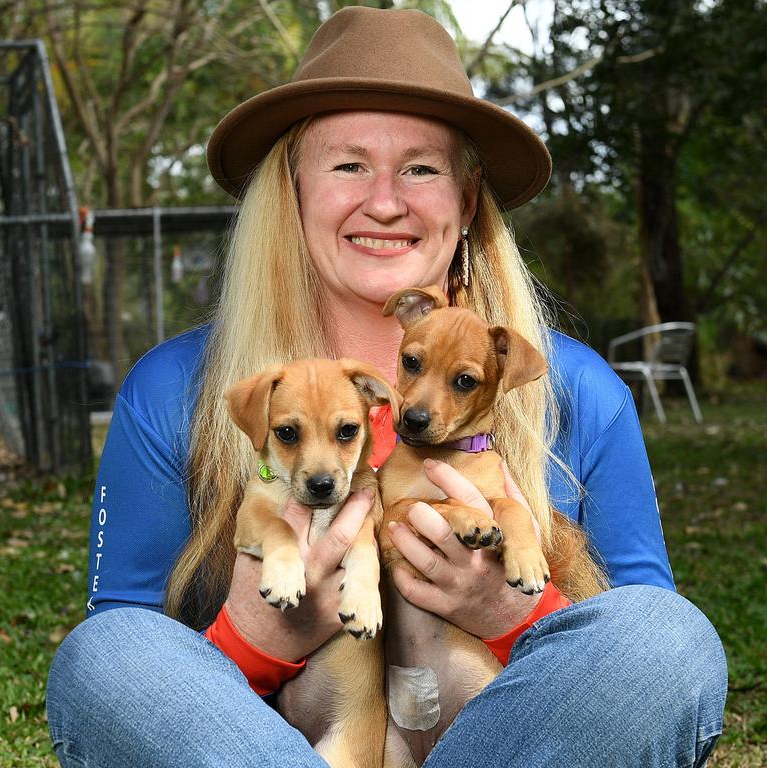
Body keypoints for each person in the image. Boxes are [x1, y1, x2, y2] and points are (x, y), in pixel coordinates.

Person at [46, 7, 727, 767]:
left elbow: (632, 651)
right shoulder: (176, 391)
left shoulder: (580, 392)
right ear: (294, 189)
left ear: (467, 200)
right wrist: (258, 637)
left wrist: (507, 613)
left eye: (421, 168)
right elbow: (128, 683)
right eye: (348, 165)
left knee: (669, 641)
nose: (385, 200)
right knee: (103, 657)